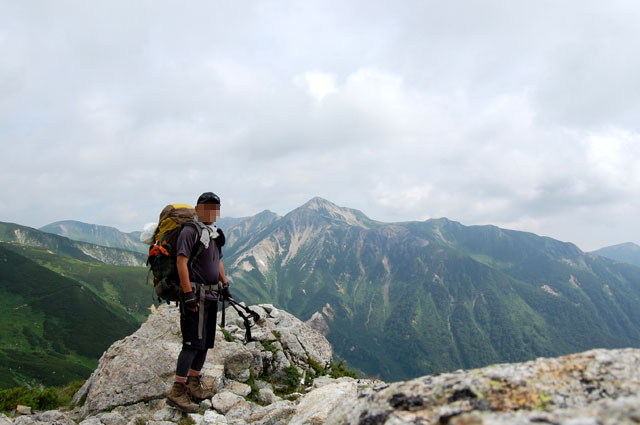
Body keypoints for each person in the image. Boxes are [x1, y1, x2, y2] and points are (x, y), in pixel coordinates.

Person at [167, 192, 229, 413]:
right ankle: (177, 390)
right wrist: (187, 294)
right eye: (208, 207)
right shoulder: (189, 231)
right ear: (198, 208)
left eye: (215, 208)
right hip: (195, 295)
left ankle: (193, 382)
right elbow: (181, 262)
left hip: (212, 295)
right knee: (192, 343)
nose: (212, 212)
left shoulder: (214, 233)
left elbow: (218, 260)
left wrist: (225, 283)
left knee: (205, 343)